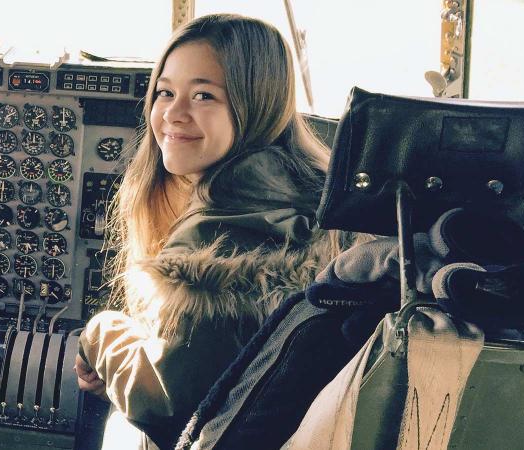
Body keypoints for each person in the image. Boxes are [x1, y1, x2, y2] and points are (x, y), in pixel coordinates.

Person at [75, 13, 354, 450]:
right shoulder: (311, 196)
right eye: (165, 92)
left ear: (254, 103)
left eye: (204, 95)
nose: (172, 114)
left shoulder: (223, 235)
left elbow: (165, 406)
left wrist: (101, 333)